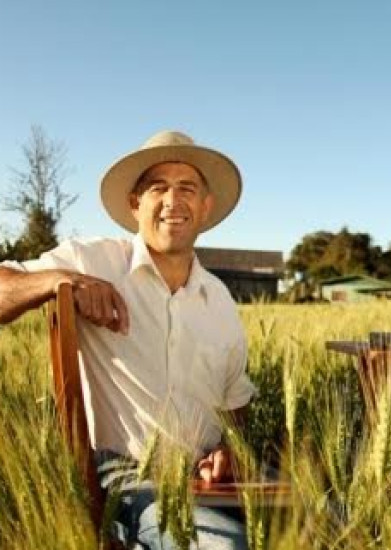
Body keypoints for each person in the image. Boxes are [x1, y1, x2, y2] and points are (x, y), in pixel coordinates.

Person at [0, 130, 256, 549]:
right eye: (159, 187)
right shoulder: (93, 260)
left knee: (334, 520)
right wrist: (63, 279)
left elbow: (235, 405)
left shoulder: (221, 300)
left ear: (205, 207)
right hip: (130, 476)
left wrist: (227, 452)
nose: (173, 201)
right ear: (135, 204)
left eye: (187, 188)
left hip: (209, 481)